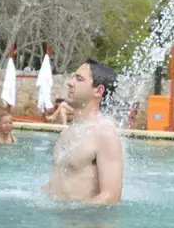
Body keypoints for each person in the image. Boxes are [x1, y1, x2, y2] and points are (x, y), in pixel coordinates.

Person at [44, 59, 123, 206]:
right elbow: (59, 183)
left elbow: (111, 196)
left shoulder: (105, 134)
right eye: (73, 77)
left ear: (98, 91)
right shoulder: (66, 133)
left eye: (79, 79)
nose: (70, 82)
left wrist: (73, 216)